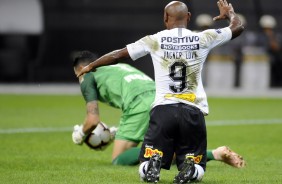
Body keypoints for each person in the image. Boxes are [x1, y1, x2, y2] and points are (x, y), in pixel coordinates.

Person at [76, 0, 244, 181]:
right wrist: (230, 14)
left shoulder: (154, 39)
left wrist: (92, 65)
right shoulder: (203, 37)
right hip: (193, 111)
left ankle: (152, 164)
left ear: (165, 18)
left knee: (143, 167)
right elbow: (237, 27)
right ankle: (191, 169)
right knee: (198, 169)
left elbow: (118, 54)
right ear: (188, 17)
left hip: (163, 111)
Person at [72, 51, 245, 168]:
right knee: (165, 144)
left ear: (82, 70)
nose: (79, 79)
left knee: (119, 159)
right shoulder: (117, 68)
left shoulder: (88, 77)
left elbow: (92, 120)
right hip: (162, 99)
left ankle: (212, 154)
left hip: (138, 105)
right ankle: (215, 154)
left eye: (77, 75)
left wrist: (80, 135)